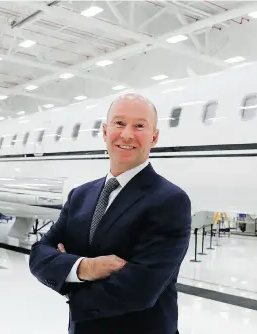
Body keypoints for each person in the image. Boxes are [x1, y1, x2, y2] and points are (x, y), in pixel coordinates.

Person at [29, 93, 192, 334]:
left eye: (139, 126)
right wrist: (85, 268)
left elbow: (141, 289)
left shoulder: (170, 201)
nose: (127, 134)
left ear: (154, 136)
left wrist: (67, 276)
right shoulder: (80, 196)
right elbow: (39, 254)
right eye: (119, 123)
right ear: (105, 131)